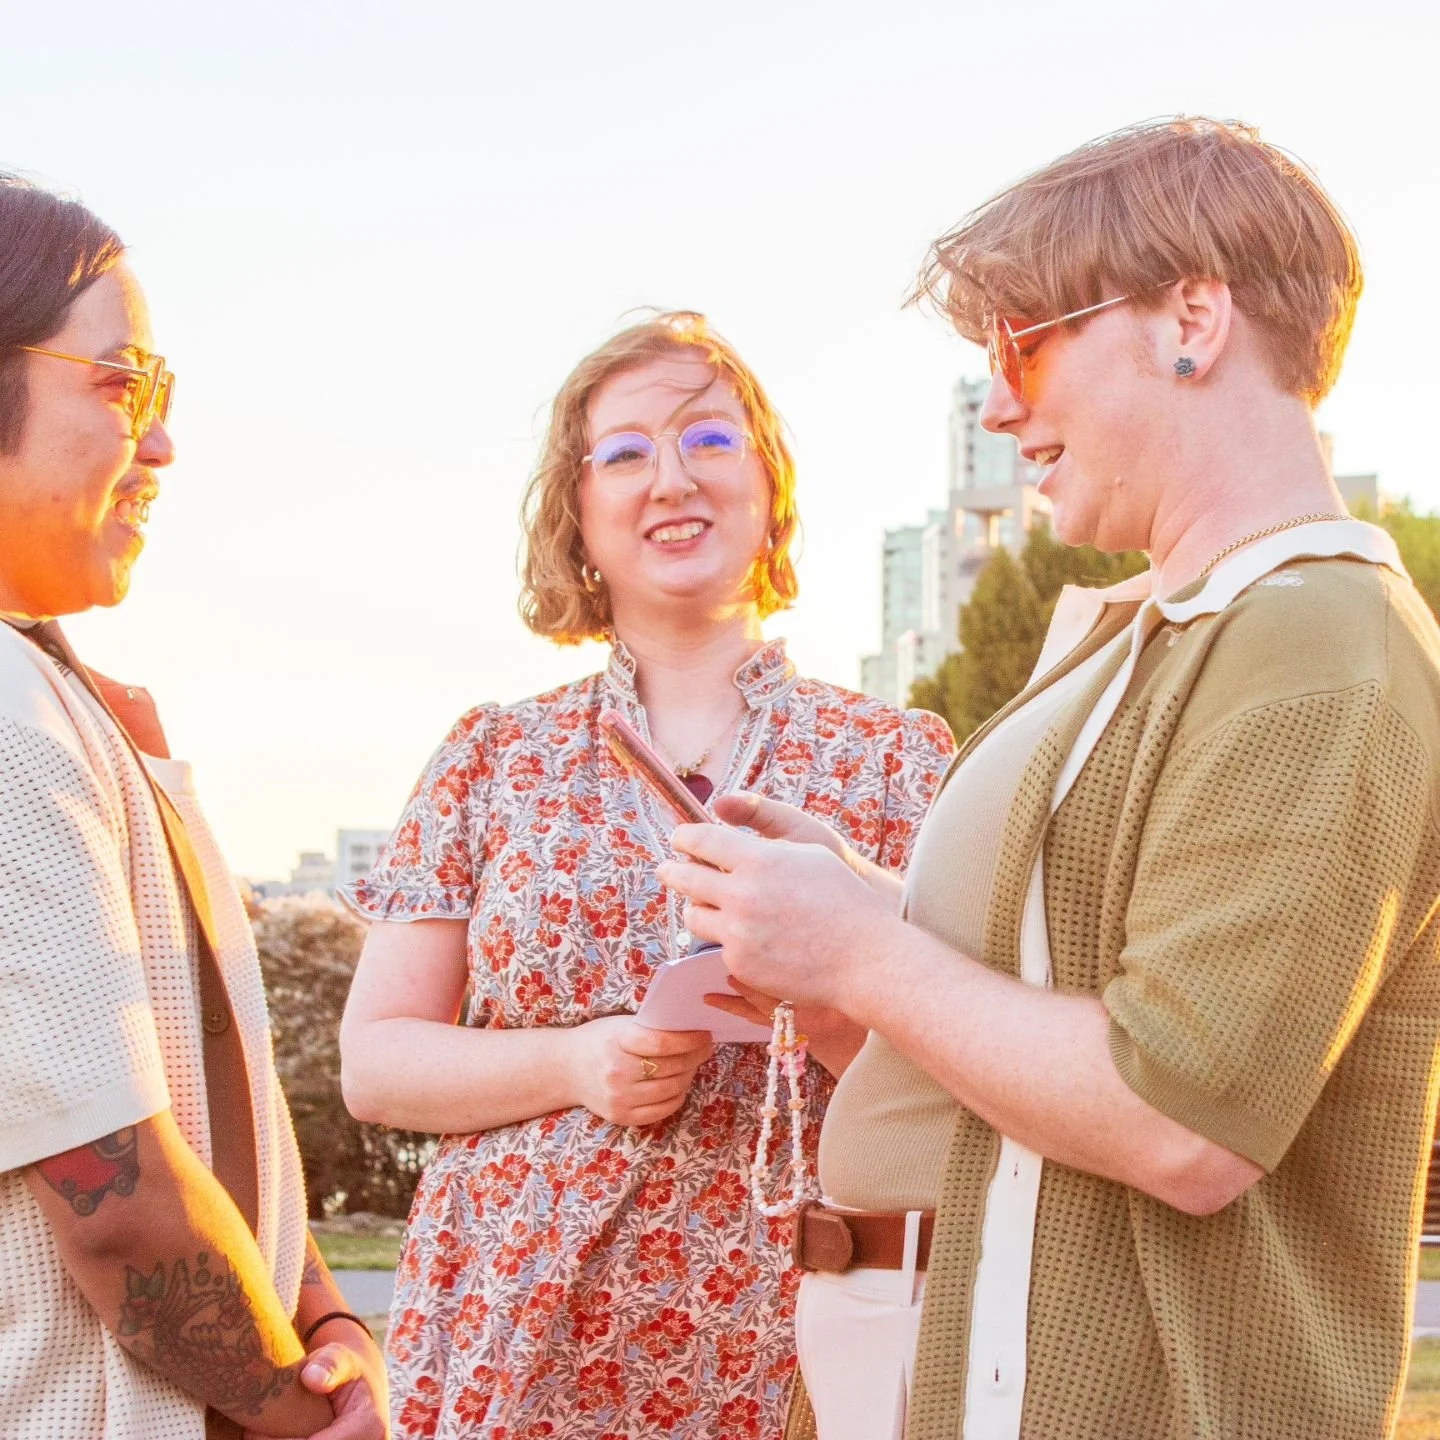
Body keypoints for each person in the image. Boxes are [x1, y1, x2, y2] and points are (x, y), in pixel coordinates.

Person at [659, 119, 1440, 1440]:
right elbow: (1053, 997)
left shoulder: (1319, 644)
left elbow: (1183, 1117)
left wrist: (863, 952)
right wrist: (856, 916)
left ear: (1192, 320)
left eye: (1024, 345)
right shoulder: (1163, 635)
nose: (1001, 406)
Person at [337, 311, 955, 1439]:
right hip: (517, 1337)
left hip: (798, 1343)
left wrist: (825, 1008)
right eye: (624, 453)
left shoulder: (899, 762)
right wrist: (576, 1060)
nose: (671, 478)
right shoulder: (493, 756)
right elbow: (377, 1066)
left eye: (709, 440)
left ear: (770, 486)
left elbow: (963, 1076)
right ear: (577, 515)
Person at [0, 175, 387, 1440]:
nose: (162, 443)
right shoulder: (8, 717)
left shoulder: (56, 694)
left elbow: (219, 1097)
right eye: (124, 386)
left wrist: (325, 1318)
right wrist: (308, 1414)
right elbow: (115, 1201)